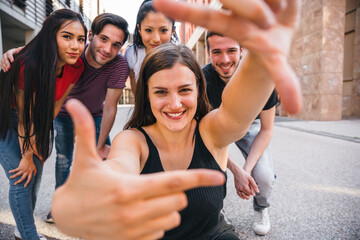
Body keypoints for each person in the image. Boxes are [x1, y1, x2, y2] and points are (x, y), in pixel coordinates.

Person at [51, 0, 303, 239]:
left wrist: (261, 56)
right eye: (161, 92)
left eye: (184, 90)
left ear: (198, 90)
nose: (174, 104)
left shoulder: (210, 131)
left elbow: (236, 111)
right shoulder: (132, 139)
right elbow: (119, 165)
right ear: (146, 95)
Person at [1, 13, 130, 223]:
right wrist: (12, 53)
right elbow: (38, 54)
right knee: (64, 161)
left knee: (104, 159)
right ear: (91, 35)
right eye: (103, 39)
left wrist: (99, 145)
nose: (107, 49)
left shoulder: (118, 64)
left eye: (116, 45)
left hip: (95, 115)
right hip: (63, 113)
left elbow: (110, 107)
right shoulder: (72, 52)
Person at [0, 9, 86, 240]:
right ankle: (29, 235)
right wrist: (28, 154)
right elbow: (23, 117)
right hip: (5, 119)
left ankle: (20, 229)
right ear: (51, 36)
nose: (76, 45)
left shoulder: (76, 67)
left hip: (32, 119)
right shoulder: (28, 65)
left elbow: (55, 106)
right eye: (67, 36)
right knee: (21, 176)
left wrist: (39, 144)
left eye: (80, 39)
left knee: (33, 173)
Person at [203, 31, 278, 236]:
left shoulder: (262, 77)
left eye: (232, 51)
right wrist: (236, 171)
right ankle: (216, 210)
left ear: (242, 50)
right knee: (211, 171)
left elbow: (267, 129)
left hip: (250, 122)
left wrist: (247, 169)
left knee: (264, 175)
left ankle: (261, 209)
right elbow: (204, 136)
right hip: (215, 124)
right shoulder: (202, 81)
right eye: (217, 52)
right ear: (208, 53)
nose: (225, 59)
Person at [125, 0, 178, 94]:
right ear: (139, 29)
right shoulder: (132, 53)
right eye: (149, 30)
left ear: (172, 30)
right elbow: (136, 92)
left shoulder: (179, 55)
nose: (156, 39)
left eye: (163, 30)